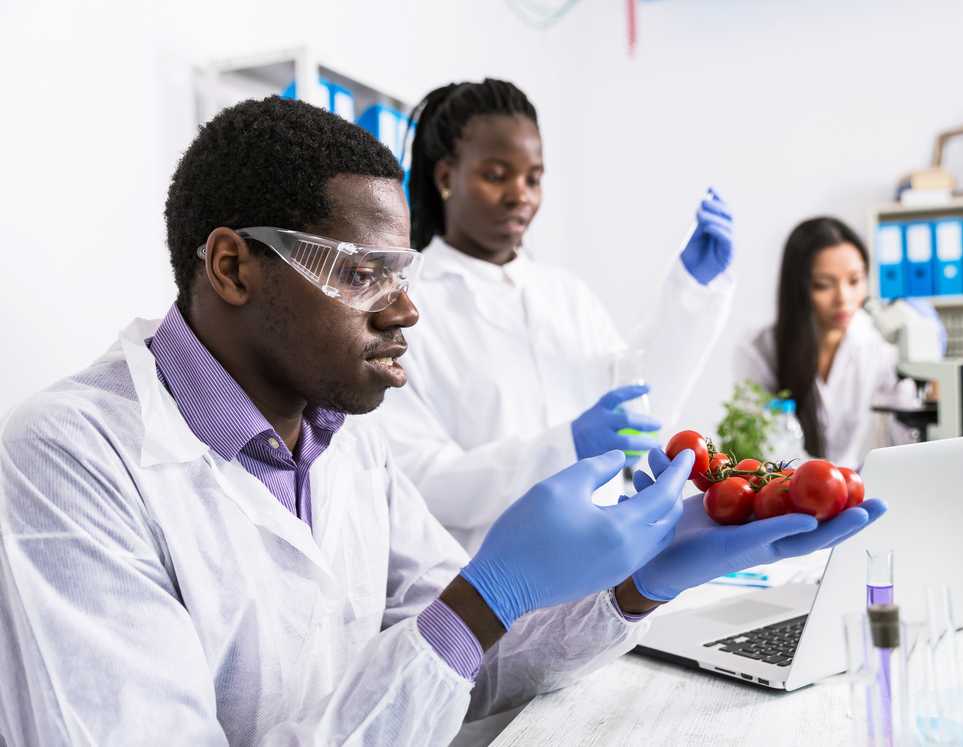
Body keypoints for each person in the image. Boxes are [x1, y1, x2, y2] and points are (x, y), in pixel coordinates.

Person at [0, 97, 885, 745]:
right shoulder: (71, 460)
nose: (405, 310)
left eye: (404, 275)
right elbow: (461, 627)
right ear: (232, 265)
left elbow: (474, 663)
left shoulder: (346, 441)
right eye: (362, 275)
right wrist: (483, 593)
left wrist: (637, 586)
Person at [375, 78, 737, 553]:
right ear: (446, 177)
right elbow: (418, 478)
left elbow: (639, 399)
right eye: (496, 174)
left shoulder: (566, 295)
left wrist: (691, 290)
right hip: (480, 586)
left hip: (596, 568)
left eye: (533, 178)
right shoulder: (406, 305)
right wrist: (562, 448)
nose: (519, 194)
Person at [732, 217, 925, 468]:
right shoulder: (760, 350)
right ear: (798, 288)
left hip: (851, 489)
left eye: (855, 281)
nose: (843, 298)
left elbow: (909, 427)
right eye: (823, 285)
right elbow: (764, 449)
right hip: (785, 490)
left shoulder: (873, 345)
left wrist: (923, 354)